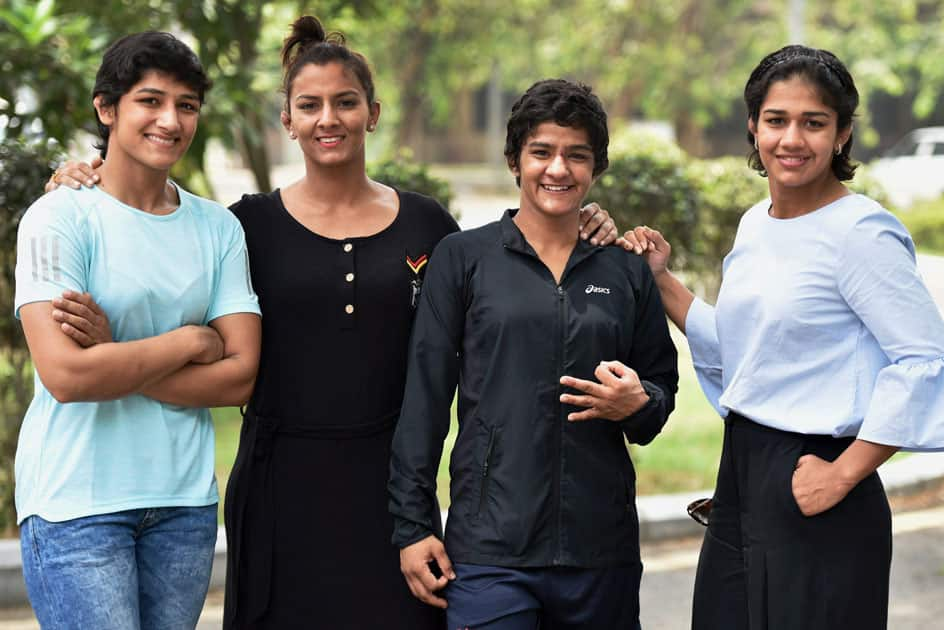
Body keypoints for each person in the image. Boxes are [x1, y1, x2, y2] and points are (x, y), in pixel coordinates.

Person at [46, 16, 620, 629]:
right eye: (310, 105)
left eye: (346, 102)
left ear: (372, 113)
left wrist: (584, 221)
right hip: (277, 490)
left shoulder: (429, 227)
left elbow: (510, 271)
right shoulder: (242, 226)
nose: (329, 119)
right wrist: (82, 176)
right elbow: (159, 238)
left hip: (392, 492)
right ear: (287, 119)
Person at [620, 45, 944, 630]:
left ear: (842, 135)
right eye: (776, 120)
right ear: (752, 127)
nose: (792, 138)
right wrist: (661, 280)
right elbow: (746, 349)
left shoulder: (860, 232)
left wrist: (843, 474)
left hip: (820, 485)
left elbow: (926, 363)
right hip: (742, 479)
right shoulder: (757, 223)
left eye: (813, 123)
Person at [388, 78, 679, 630]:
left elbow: (659, 396)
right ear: (514, 160)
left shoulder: (624, 271)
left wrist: (638, 403)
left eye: (576, 155)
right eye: (541, 152)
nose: (558, 169)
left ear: (596, 168)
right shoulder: (463, 259)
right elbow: (423, 400)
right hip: (490, 553)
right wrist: (413, 527)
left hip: (600, 552)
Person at [15, 31, 262, 629]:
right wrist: (189, 342)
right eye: (150, 101)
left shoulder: (216, 228)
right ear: (107, 109)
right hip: (78, 503)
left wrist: (115, 355)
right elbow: (68, 375)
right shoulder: (60, 216)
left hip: (183, 504)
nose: (170, 121)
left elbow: (239, 377)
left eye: (186, 105)